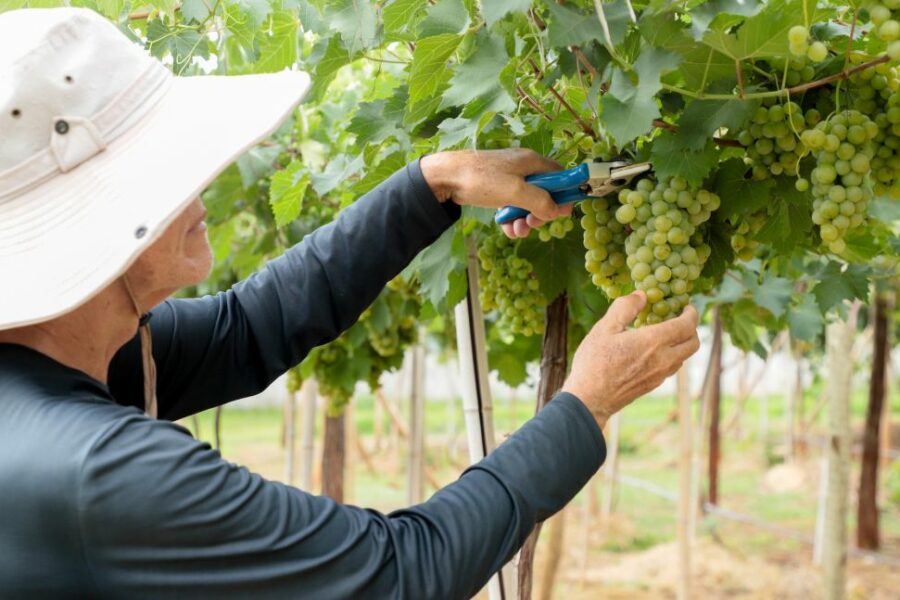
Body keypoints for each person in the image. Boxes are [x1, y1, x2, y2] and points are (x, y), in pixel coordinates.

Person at [0, 7, 700, 599]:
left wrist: (435, 182)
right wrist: (586, 405)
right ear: (97, 223)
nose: (205, 190)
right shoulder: (106, 475)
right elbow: (399, 572)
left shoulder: (53, 366)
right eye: (171, 171)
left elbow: (249, 329)